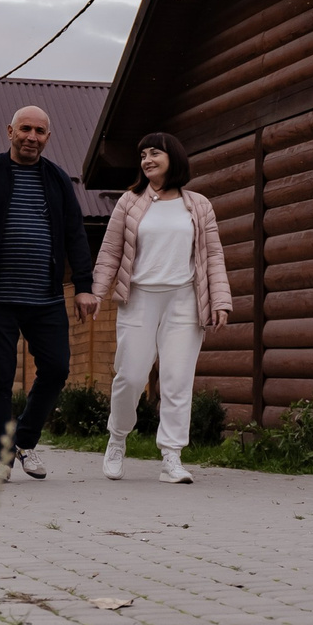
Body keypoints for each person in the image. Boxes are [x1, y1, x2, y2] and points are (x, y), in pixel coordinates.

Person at [0, 103, 97, 482]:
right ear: (10, 131)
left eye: (39, 131)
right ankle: (0, 459)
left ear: (47, 137)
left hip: (46, 297)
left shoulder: (57, 180)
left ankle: (24, 440)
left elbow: (75, 235)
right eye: (25, 129)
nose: (32, 137)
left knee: (56, 368)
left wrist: (84, 286)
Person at [90, 131, 231, 484]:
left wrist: (221, 300)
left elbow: (213, 254)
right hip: (139, 298)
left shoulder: (198, 204)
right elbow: (109, 251)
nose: (147, 160)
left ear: (174, 158)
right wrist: (95, 292)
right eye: (142, 155)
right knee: (131, 376)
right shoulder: (129, 202)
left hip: (184, 299)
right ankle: (117, 439)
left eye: (155, 153)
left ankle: (171, 456)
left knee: (177, 379)